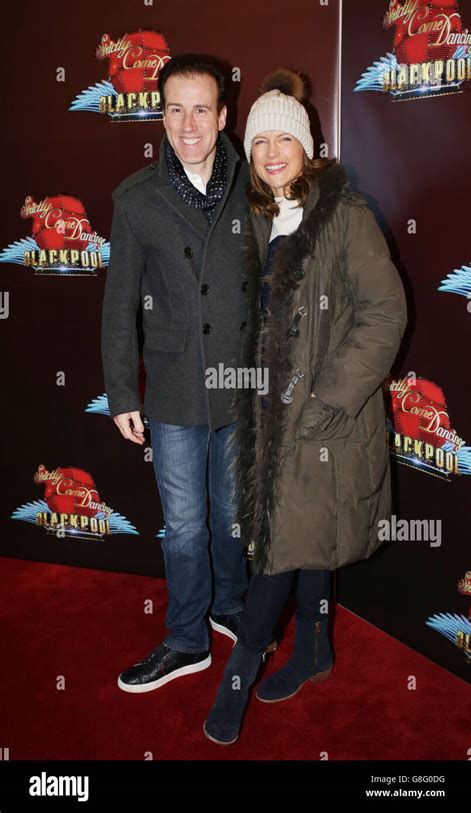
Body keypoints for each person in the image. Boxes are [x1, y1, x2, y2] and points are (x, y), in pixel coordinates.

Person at [203, 69, 408, 744]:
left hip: (323, 419)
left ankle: (239, 672)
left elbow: (385, 313)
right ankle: (316, 647)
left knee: (277, 548)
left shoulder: (343, 216)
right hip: (271, 418)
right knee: (307, 535)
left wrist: (330, 398)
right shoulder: (263, 221)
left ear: (306, 144)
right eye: (257, 139)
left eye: (280, 138)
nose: (268, 150)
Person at [101, 54, 251, 693]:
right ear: (160, 115)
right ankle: (187, 637)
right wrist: (119, 392)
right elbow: (118, 302)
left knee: (233, 511)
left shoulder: (258, 184)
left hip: (243, 387)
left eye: (200, 109)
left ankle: (232, 606)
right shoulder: (137, 199)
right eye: (173, 109)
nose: (187, 124)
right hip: (172, 388)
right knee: (186, 523)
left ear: (222, 115)